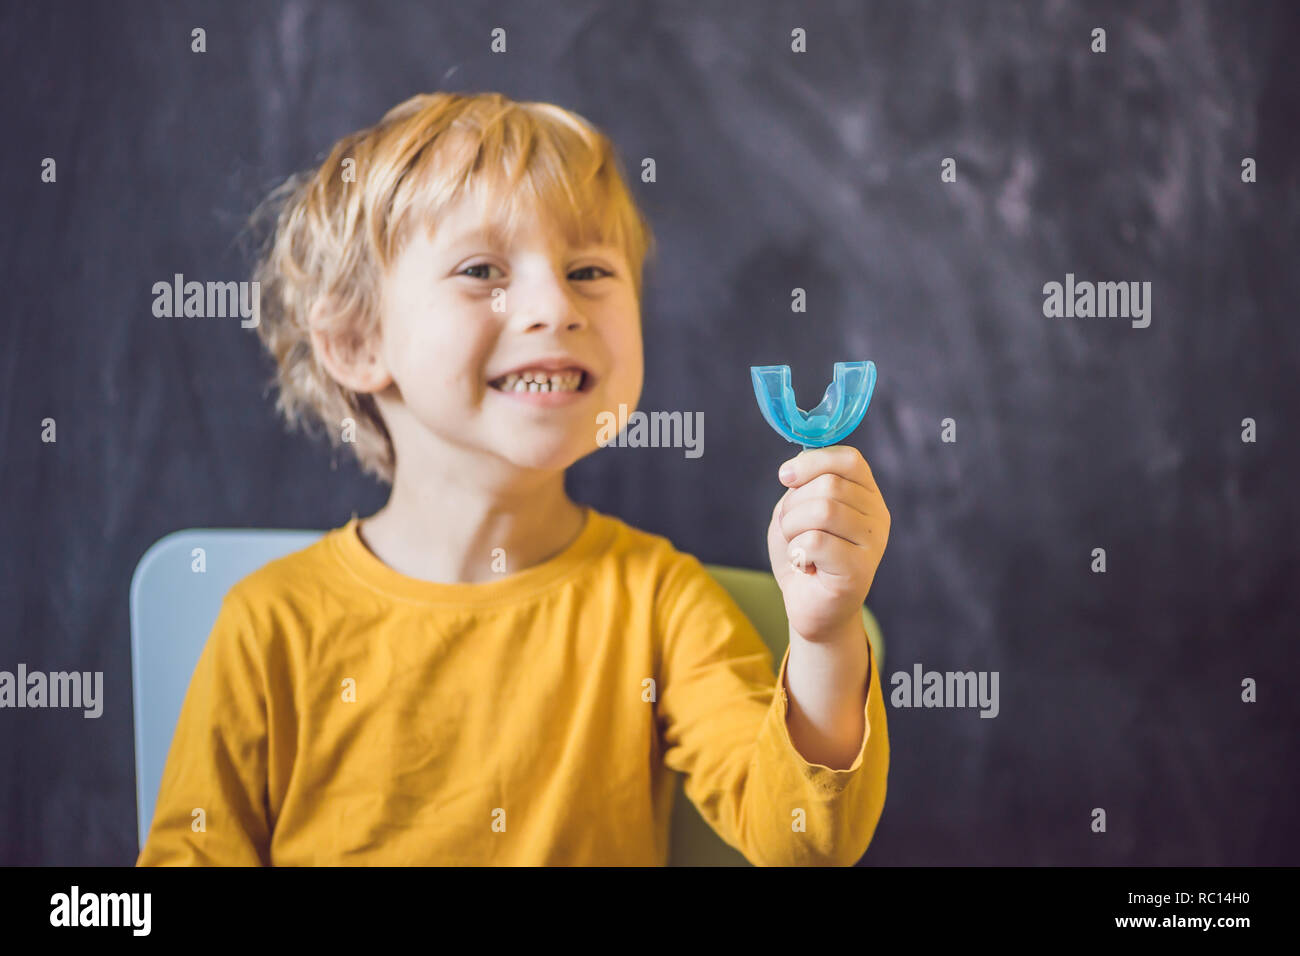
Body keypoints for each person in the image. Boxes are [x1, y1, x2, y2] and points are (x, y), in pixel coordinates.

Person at [137, 91, 891, 866]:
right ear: (359, 341)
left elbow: (805, 843)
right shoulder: (269, 626)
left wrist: (825, 636)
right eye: (481, 269)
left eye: (590, 269)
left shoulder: (661, 604)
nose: (554, 305)